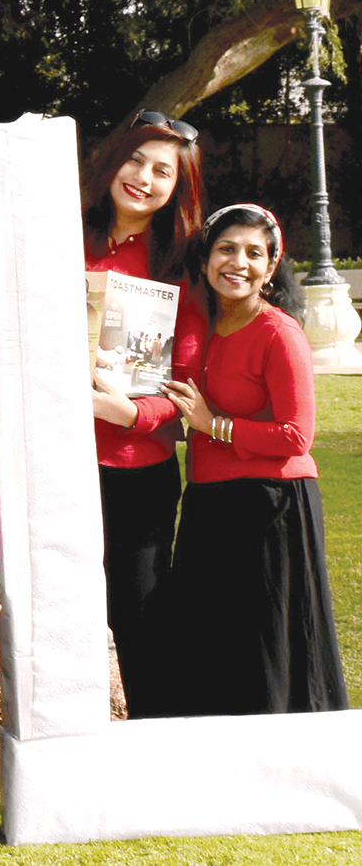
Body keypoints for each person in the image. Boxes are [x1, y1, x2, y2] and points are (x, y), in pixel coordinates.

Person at [159, 204, 349, 717]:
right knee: (211, 643)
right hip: (208, 503)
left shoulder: (278, 332)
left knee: (269, 645)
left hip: (271, 507)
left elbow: (296, 436)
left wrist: (211, 425)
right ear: (205, 259)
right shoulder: (202, 327)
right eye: (226, 248)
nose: (237, 262)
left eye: (253, 253)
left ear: (269, 270)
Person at [81, 110, 206, 715]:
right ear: (113, 159)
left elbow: (183, 386)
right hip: (58, 466)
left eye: (163, 171)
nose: (144, 178)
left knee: (141, 624)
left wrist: (127, 414)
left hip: (137, 472)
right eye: (136, 160)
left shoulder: (181, 266)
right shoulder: (60, 238)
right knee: (62, 620)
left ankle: (160, 764)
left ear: (177, 189)